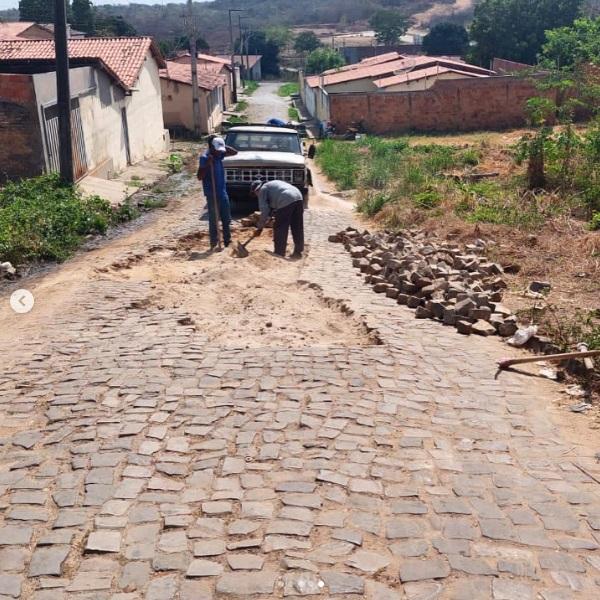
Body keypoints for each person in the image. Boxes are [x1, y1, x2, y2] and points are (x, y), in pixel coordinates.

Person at [197, 135, 237, 250]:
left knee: (226, 218)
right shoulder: (204, 157)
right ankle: (214, 243)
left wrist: (222, 145)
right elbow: (199, 177)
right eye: (217, 150)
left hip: (222, 191)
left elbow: (235, 152)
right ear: (211, 147)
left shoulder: (219, 154)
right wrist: (207, 165)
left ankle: (227, 242)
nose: (220, 153)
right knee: (214, 219)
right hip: (212, 193)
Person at [250, 179, 305, 259]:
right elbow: (273, 207)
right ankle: (298, 251)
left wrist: (260, 228)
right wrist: (270, 216)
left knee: (280, 227)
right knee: (297, 225)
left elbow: (264, 211)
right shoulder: (271, 185)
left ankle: (279, 252)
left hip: (286, 198)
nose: (257, 196)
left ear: (256, 190)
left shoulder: (262, 190)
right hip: (298, 196)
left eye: (255, 194)